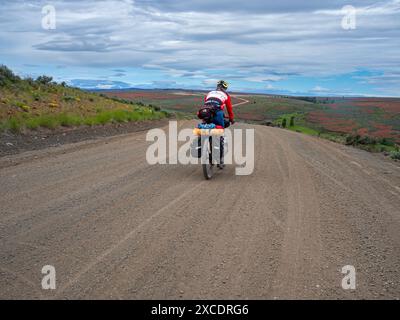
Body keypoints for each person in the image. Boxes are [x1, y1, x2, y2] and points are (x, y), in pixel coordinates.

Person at [204, 80, 235, 169]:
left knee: (205, 128)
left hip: (206, 113)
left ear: (217, 86)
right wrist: (231, 119)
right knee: (220, 134)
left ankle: (204, 142)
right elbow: (229, 108)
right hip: (218, 113)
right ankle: (220, 160)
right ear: (225, 88)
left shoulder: (210, 93)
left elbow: (206, 104)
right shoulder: (226, 95)